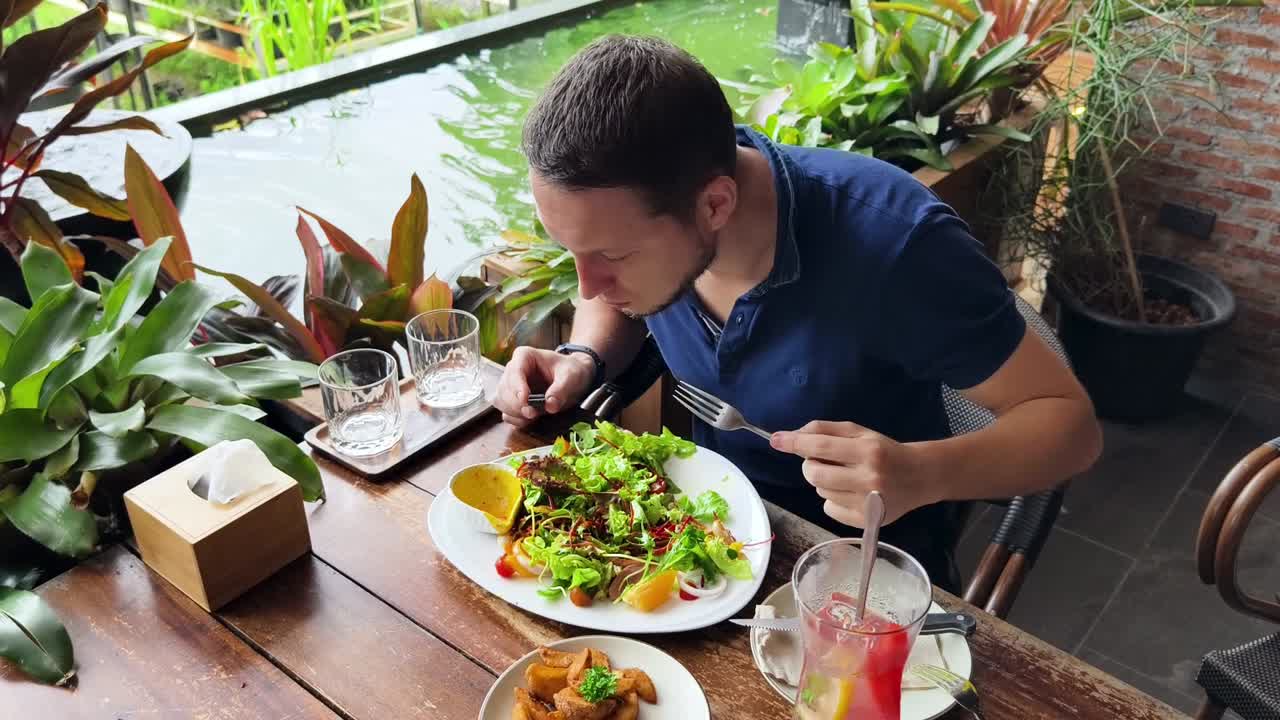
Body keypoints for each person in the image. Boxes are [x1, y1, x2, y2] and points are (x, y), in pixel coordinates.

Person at [494, 34, 1102, 593]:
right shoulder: (652, 223)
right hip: (705, 537)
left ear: (715, 205)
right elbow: (614, 300)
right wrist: (581, 355)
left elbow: (1070, 428)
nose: (589, 285)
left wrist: (921, 473)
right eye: (571, 251)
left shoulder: (897, 245)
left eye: (613, 255)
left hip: (860, 571)